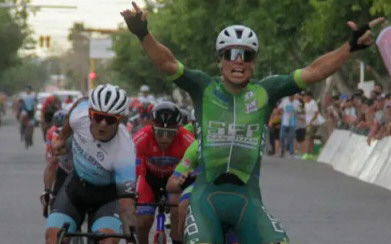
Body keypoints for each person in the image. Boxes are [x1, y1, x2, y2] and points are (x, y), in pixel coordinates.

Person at [121, 4, 383, 243]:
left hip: (247, 200)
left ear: (253, 62)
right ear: (219, 60)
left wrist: (350, 47)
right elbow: (167, 64)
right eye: (231, 54)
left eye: (246, 55)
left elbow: (314, 71)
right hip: (206, 199)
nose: (238, 60)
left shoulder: (266, 91)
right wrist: (143, 33)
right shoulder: (203, 86)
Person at [46, 84, 137, 244]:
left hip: (107, 198)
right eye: (97, 116)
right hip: (75, 189)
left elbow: (126, 203)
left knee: (108, 241)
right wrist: (61, 137)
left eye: (110, 119)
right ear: (89, 113)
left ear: (119, 119)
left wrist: (130, 236)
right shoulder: (79, 117)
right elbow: (79, 103)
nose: (102, 123)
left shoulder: (125, 149)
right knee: (53, 239)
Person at [133, 101, 194, 244]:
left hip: (174, 179)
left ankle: (177, 240)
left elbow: (196, 163)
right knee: (143, 222)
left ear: (178, 130)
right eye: (160, 132)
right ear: (152, 128)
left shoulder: (187, 139)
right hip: (149, 179)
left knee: (177, 214)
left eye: (170, 133)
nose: (164, 139)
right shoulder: (142, 136)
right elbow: (134, 169)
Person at [40, 110, 73, 218]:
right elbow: (51, 165)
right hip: (65, 170)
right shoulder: (55, 133)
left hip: (85, 171)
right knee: (56, 205)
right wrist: (47, 191)